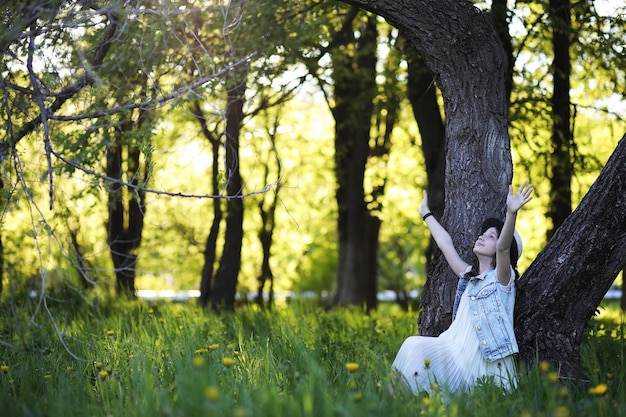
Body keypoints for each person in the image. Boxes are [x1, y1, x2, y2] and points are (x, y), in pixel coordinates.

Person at [391, 181, 534, 397]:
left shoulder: (502, 279)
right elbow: (445, 244)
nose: (482, 237)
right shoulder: (468, 277)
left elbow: (504, 247)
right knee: (412, 347)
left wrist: (511, 213)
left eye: (490, 236)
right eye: (483, 233)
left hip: (482, 362)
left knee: (413, 346)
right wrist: (426, 213)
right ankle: (387, 406)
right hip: (454, 351)